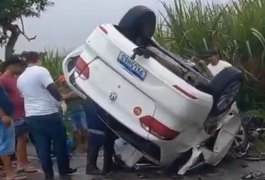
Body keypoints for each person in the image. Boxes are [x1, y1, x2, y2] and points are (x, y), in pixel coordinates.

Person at [17, 51, 77, 179]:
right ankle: (64, 170)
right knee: (59, 142)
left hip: (32, 116)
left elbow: (25, 96)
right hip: (49, 113)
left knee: (41, 145)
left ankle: (48, 173)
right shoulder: (41, 71)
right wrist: (61, 100)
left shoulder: (20, 78)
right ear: (37, 59)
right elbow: (52, 88)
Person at [0, 55, 37, 174]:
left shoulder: (16, 79)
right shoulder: (3, 79)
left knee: (22, 138)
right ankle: (20, 164)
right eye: (20, 66)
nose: (22, 69)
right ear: (12, 66)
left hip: (20, 113)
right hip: (12, 114)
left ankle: (23, 162)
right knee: (16, 139)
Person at [0, 83, 27, 180]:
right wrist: (2, 115)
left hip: (6, 116)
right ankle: (10, 174)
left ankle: (8, 171)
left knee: (4, 145)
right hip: (3, 118)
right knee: (4, 146)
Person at [84, 99, 118, 175]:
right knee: (96, 134)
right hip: (95, 103)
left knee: (107, 134)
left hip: (100, 103)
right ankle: (91, 165)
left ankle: (109, 164)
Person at [57, 76, 88, 153]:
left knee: (84, 128)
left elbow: (81, 94)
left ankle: (86, 145)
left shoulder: (74, 86)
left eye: (65, 81)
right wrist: (72, 94)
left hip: (80, 109)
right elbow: (62, 97)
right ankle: (79, 146)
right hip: (70, 112)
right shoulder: (61, 89)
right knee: (75, 130)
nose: (64, 83)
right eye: (63, 82)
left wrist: (68, 95)